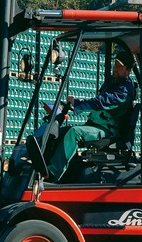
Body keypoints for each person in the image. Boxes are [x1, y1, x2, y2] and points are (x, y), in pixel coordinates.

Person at [46, 50, 135, 182]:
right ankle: (48, 166)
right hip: (97, 126)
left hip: (108, 132)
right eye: (115, 65)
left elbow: (101, 102)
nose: (115, 69)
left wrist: (78, 104)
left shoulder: (124, 90)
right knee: (61, 132)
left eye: (120, 67)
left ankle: (51, 175)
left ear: (128, 71)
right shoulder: (112, 83)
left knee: (74, 133)